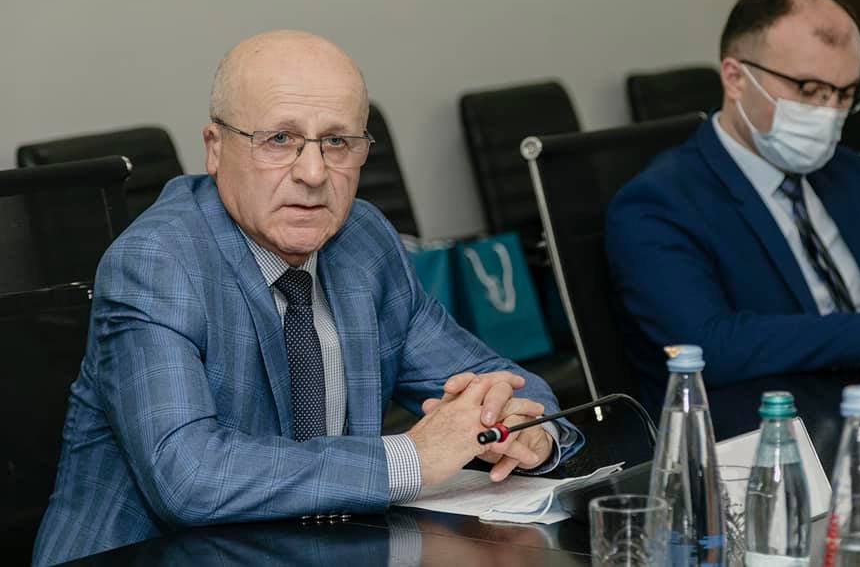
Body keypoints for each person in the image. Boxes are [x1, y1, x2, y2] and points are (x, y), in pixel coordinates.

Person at [34, 30, 582, 566]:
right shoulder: (157, 262)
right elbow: (191, 476)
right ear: (216, 149)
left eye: (338, 142)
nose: (314, 173)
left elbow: (504, 381)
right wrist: (412, 458)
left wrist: (526, 430)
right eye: (280, 139)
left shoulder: (364, 241)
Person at [606, 0, 860, 408]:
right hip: (763, 429)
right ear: (736, 79)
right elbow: (708, 347)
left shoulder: (848, 174)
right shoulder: (659, 204)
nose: (830, 111)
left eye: (846, 94)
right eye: (809, 90)